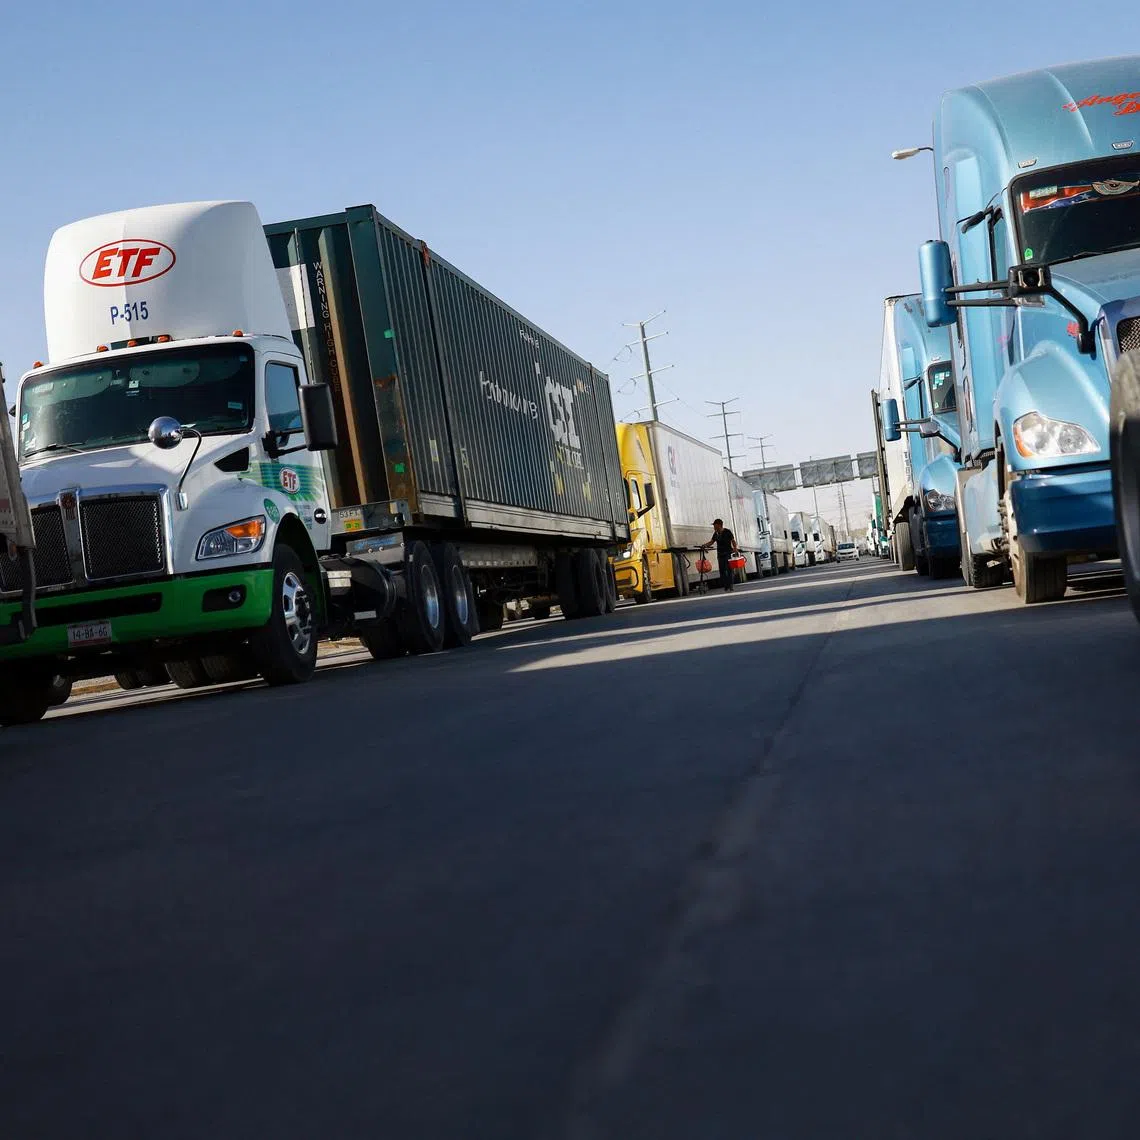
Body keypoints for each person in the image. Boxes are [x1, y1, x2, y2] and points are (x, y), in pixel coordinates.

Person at [701, 518, 739, 592]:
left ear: (719, 525)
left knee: (729, 570)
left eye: (714, 525)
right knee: (722, 571)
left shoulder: (727, 532)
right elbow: (711, 542)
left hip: (728, 553)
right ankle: (726, 586)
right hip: (720, 554)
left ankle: (730, 585)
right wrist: (705, 545)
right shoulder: (716, 534)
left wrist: (735, 548)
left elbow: (733, 541)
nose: (714, 527)